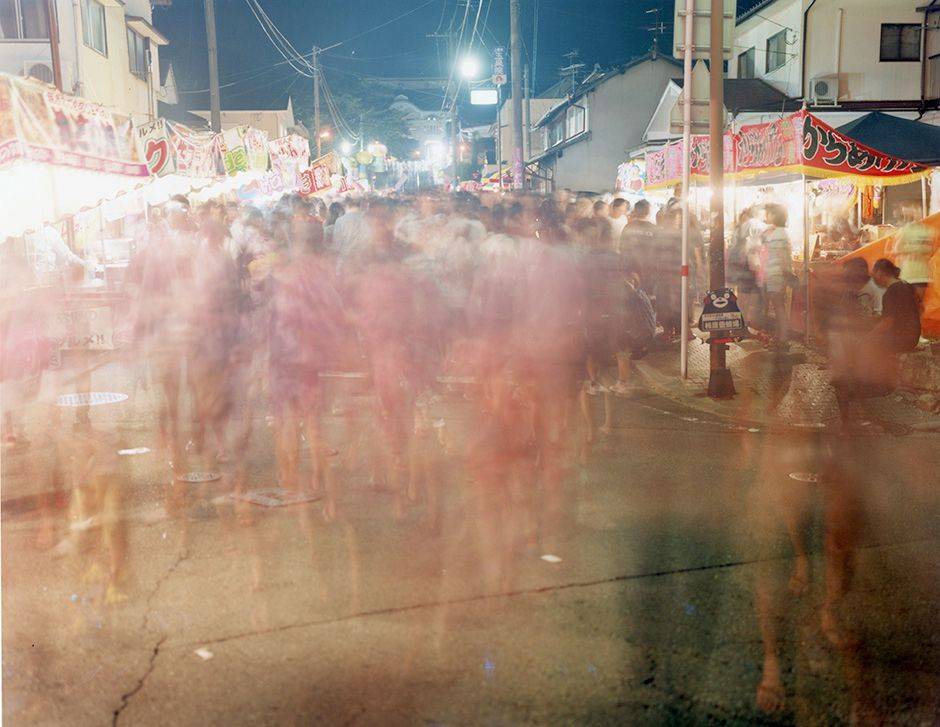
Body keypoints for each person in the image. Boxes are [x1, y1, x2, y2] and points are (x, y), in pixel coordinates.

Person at [760, 204, 793, 349]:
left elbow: (782, 257)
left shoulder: (779, 233)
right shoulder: (776, 232)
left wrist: (786, 274)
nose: (766, 216)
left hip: (777, 275)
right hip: (774, 274)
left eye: (768, 213)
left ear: (774, 215)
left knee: (779, 307)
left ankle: (783, 340)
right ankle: (779, 337)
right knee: (778, 307)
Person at [890, 202, 933, 302]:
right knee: (909, 304)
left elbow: (931, 250)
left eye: (918, 211)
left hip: (922, 274)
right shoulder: (904, 231)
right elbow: (896, 249)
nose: (916, 214)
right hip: (908, 274)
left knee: (919, 304)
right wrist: (917, 249)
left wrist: (915, 249)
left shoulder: (929, 231)